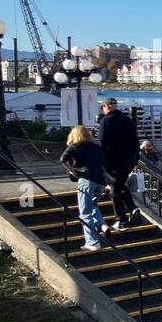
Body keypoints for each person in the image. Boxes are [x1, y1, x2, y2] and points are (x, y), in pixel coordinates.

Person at [60, 125, 108, 251]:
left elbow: (63, 159)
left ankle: (92, 242)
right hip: (101, 181)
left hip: (86, 180)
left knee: (85, 213)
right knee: (93, 206)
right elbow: (104, 162)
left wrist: (72, 171)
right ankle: (102, 224)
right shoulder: (97, 147)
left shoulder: (74, 147)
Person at [97, 97, 140, 231]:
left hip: (114, 161)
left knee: (115, 188)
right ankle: (133, 208)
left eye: (102, 108)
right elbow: (135, 140)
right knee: (120, 184)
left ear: (106, 107)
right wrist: (135, 158)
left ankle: (120, 220)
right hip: (129, 160)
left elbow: (102, 143)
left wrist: (103, 162)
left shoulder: (106, 120)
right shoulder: (127, 119)